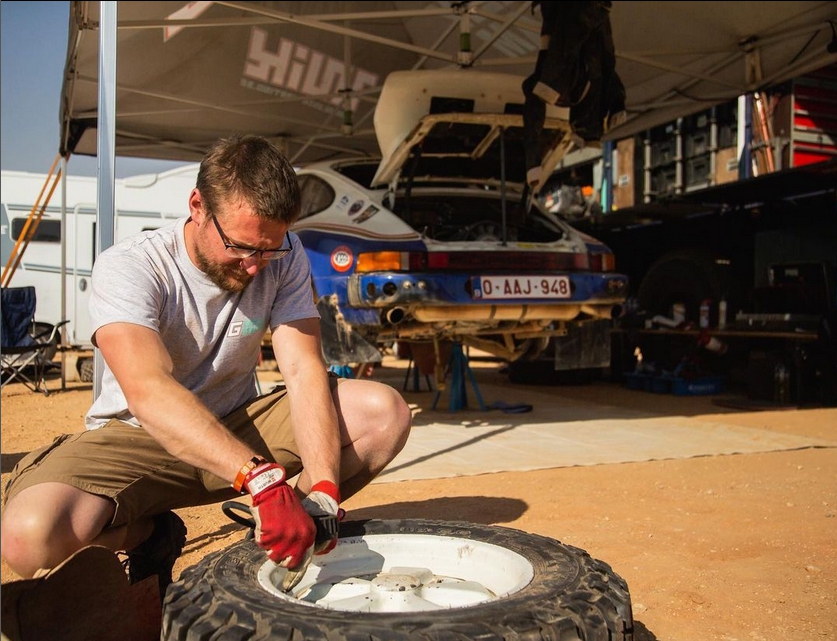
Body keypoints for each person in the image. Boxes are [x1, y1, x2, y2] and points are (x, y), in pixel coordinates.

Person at [1, 134, 413, 597]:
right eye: (241, 247)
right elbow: (149, 390)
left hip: (240, 425)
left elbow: (302, 369)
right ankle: (152, 536)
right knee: (27, 538)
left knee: (384, 414)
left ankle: (275, 532)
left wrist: (320, 489)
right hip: (139, 436)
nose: (257, 265)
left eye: (268, 249)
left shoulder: (286, 253)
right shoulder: (132, 267)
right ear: (197, 206)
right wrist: (259, 478)